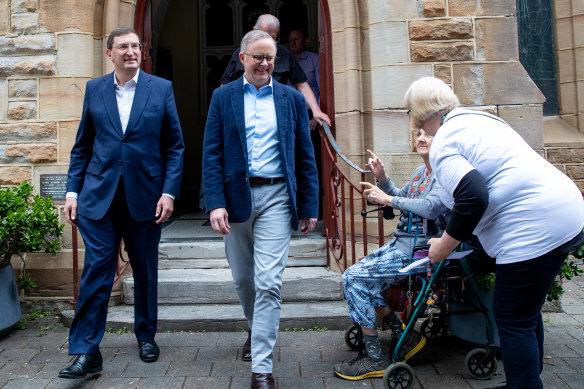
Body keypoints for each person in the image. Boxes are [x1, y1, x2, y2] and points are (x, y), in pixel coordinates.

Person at [403, 76, 584, 389]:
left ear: (419, 112)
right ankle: (526, 380)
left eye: (410, 114)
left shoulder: (445, 141)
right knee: (525, 312)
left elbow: (473, 196)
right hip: (563, 212)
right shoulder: (477, 119)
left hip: (531, 226)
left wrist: (444, 246)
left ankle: (524, 385)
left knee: (512, 318)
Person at [59, 27, 185, 379]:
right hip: (98, 199)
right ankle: (87, 351)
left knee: (145, 271)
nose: (131, 52)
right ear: (109, 53)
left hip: (146, 197)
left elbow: (174, 147)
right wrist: (72, 192)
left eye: (135, 46)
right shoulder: (95, 89)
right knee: (97, 271)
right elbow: (83, 146)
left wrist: (169, 192)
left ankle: (146, 335)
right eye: (123, 47)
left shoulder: (160, 89)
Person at [202, 30, 319, 389]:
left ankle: (262, 369)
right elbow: (212, 153)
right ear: (242, 59)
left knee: (269, 282)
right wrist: (215, 202)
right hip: (236, 198)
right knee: (243, 279)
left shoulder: (290, 99)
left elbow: (304, 155)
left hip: (277, 196)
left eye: (270, 57)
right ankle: (257, 329)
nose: (265, 63)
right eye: (258, 57)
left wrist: (309, 204)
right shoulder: (223, 97)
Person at [334, 129, 448, 381]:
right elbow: (402, 198)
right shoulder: (420, 173)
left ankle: (375, 358)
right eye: (418, 133)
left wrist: (387, 198)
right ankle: (403, 334)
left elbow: (430, 208)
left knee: (354, 278)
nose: (420, 138)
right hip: (400, 245)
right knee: (360, 278)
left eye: (428, 134)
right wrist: (383, 179)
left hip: (421, 251)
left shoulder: (446, 176)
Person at [219, 14, 330, 128]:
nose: (267, 41)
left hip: (277, 117)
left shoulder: (285, 55)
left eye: (272, 37)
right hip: (244, 117)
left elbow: (301, 84)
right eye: (263, 36)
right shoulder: (241, 54)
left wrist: (316, 110)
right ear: (254, 31)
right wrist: (221, 115)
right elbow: (224, 87)